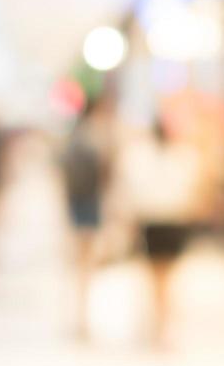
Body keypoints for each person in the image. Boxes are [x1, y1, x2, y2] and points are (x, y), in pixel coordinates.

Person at [120, 118, 209, 348]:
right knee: (167, 278)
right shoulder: (183, 158)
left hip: (153, 222)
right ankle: (163, 324)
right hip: (173, 221)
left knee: (156, 277)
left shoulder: (142, 158)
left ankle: (160, 324)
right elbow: (192, 190)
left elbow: (134, 192)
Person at [60, 98, 112, 339]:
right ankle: (82, 312)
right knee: (86, 260)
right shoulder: (95, 138)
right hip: (89, 203)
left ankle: (81, 312)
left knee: (82, 259)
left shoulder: (73, 137)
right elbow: (106, 173)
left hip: (77, 203)